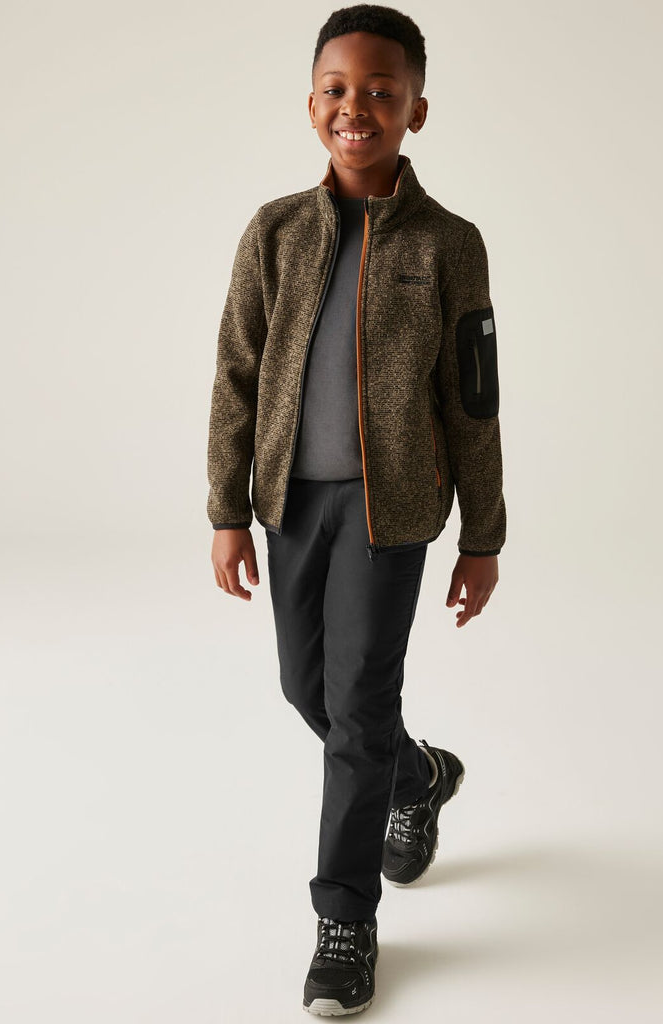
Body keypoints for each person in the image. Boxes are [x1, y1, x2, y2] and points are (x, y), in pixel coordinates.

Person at [205, 4, 506, 1015]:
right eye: (337, 90)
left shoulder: (449, 244)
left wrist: (483, 535)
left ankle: (344, 920)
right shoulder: (276, 231)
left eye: (381, 91)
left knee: (360, 707)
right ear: (310, 105)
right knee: (311, 690)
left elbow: (473, 400)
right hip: (290, 506)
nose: (356, 107)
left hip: (395, 516)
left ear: (416, 109)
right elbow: (236, 374)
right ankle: (416, 776)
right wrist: (226, 509)